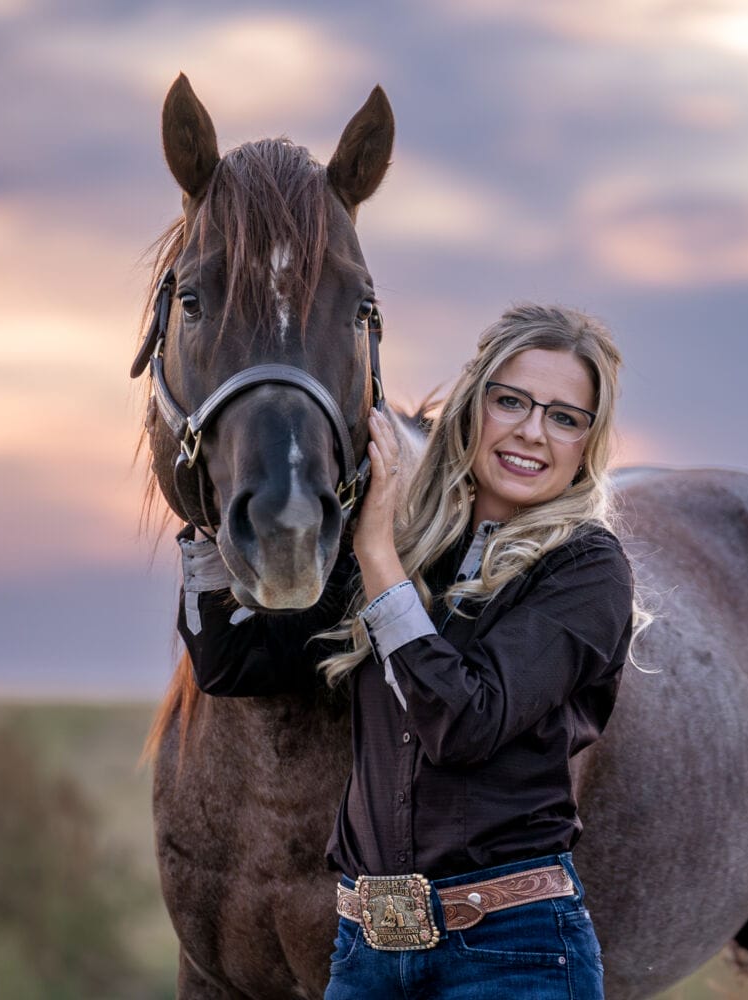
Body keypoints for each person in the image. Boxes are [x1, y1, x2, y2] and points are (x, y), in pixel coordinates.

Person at [177, 303, 639, 1000]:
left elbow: (464, 721)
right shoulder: (411, 544)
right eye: (510, 401)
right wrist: (209, 512)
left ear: (587, 442)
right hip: (366, 954)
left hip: (512, 953)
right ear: (473, 404)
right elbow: (233, 663)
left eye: (564, 416)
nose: (531, 432)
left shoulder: (584, 569)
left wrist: (375, 553)